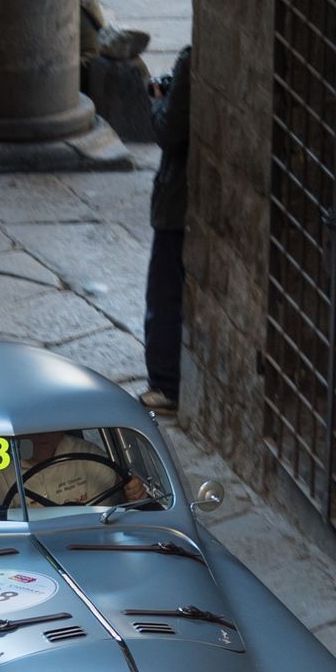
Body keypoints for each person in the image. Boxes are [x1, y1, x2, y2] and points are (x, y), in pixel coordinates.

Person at [140, 43, 191, 415]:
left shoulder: (194, 60)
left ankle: (166, 386)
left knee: (165, 293)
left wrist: (160, 100)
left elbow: (168, 131)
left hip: (179, 201)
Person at [0, 431, 146, 509]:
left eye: (48, 427)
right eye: (33, 428)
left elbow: (113, 514)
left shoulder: (89, 455)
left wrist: (131, 495)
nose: (42, 435)